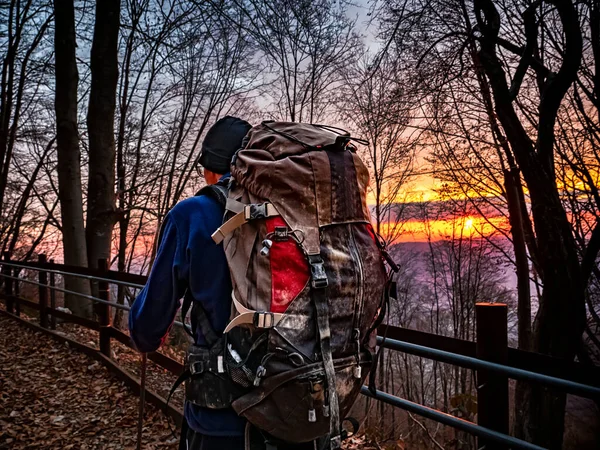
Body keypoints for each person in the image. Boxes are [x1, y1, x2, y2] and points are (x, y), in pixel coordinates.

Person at [129, 116, 252, 450]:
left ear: (210, 169)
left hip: (221, 418)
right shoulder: (292, 216)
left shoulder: (194, 214)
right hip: (301, 415)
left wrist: (142, 327)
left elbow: (146, 327)